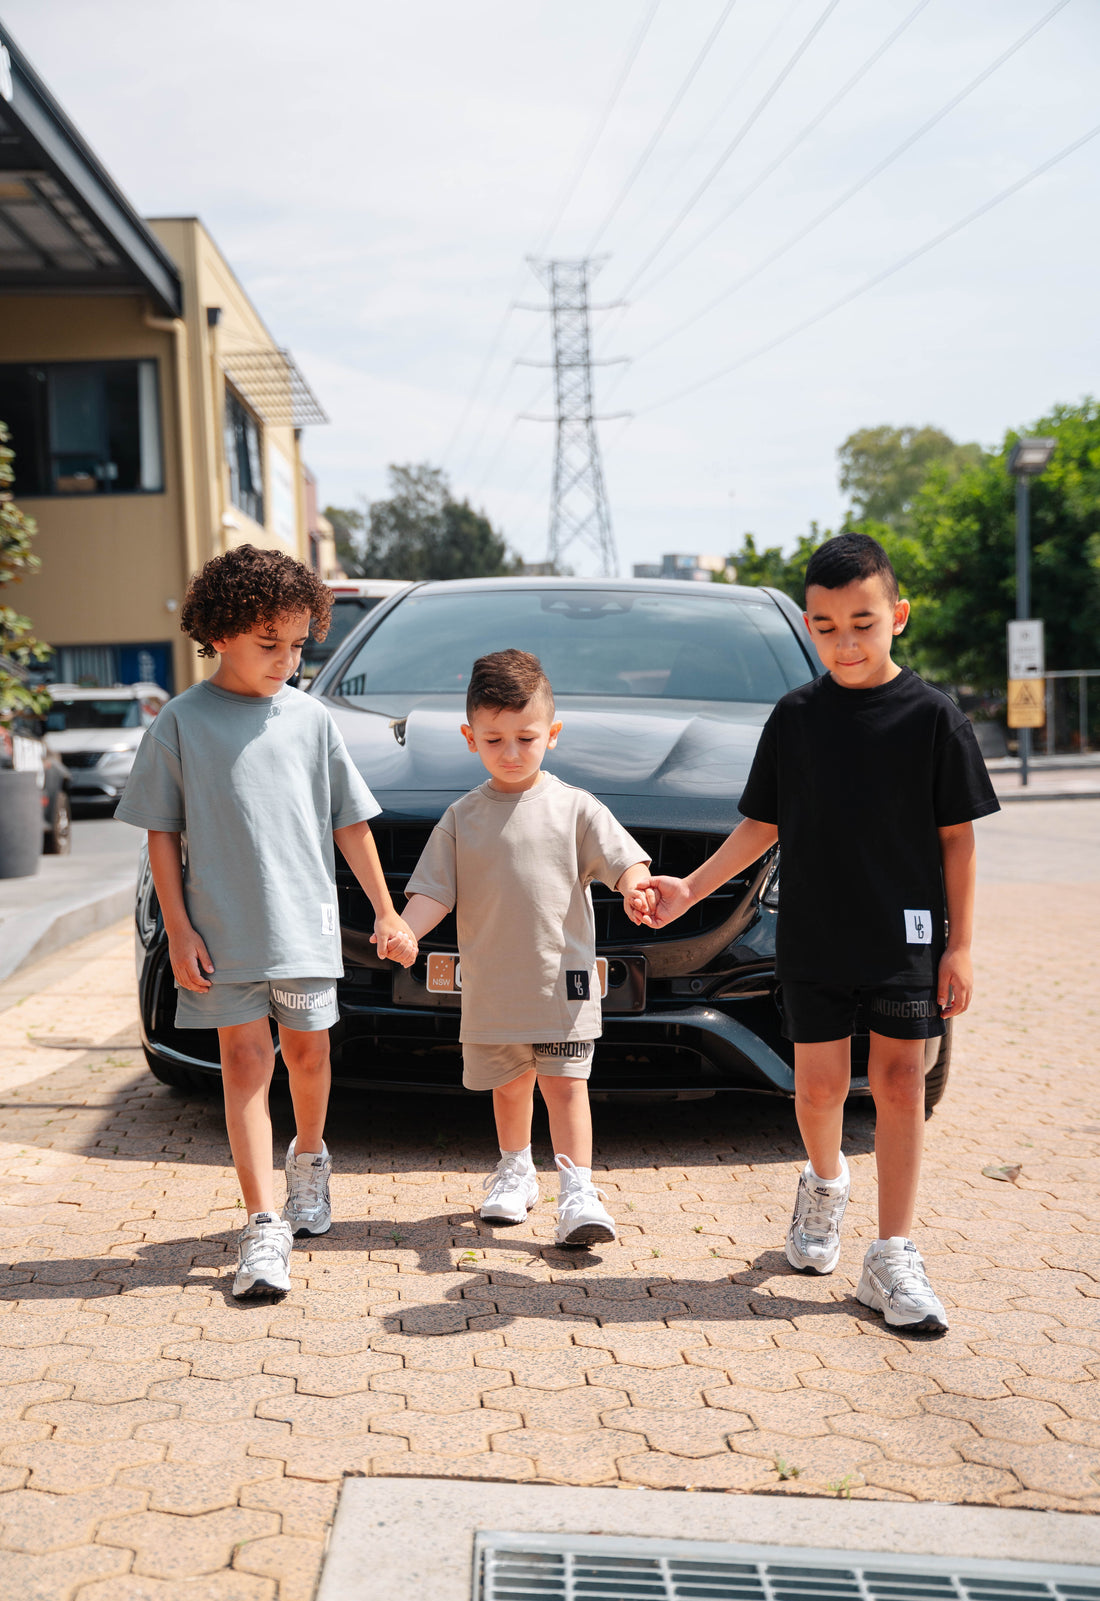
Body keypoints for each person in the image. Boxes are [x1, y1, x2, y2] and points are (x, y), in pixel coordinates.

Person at [633, 534, 999, 1333]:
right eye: (829, 626)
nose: (847, 641)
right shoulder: (796, 718)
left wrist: (961, 944)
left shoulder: (933, 717)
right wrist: (688, 889)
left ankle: (893, 1254)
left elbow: (958, 840)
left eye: (863, 622)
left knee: (901, 1086)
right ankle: (825, 1185)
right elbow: (760, 824)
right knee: (819, 1089)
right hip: (815, 938)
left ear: (897, 616)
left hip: (905, 939)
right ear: (808, 626)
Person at [116, 545, 417, 1300]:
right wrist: (178, 930)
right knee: (245, 1064)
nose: (285, 660)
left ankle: (309, 1160)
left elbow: (352, 823)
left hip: (303, 927)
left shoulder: (312, 719)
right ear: (220, 633)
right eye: (268, 645)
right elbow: (160, 831)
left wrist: (385, 910)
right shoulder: (181, 722)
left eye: (295, 645)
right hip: (221, 934)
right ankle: (261, 1223)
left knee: (309, 1056)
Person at [401, 648, 652, 1245]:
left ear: (552, 735)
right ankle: (516, 1170)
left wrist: (638, 889)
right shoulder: (462, 818)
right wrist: (406, 930)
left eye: (525, 738)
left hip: (560, 986)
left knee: (566, 1086)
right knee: (510, 1086)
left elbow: (625, 861)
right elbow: (434, 890)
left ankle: (577, 1189)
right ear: (470, 739)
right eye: (494, 741)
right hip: (492, 989)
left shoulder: (575, 807)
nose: (510, 753)